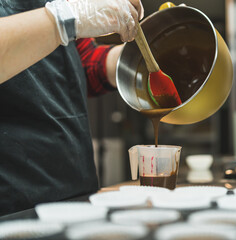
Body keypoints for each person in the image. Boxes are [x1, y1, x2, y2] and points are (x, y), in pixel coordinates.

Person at [0, 0, 143, 216]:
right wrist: (64, 18)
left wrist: (130, 61)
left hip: (76, 190)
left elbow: (78, 64)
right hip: (13, 203)